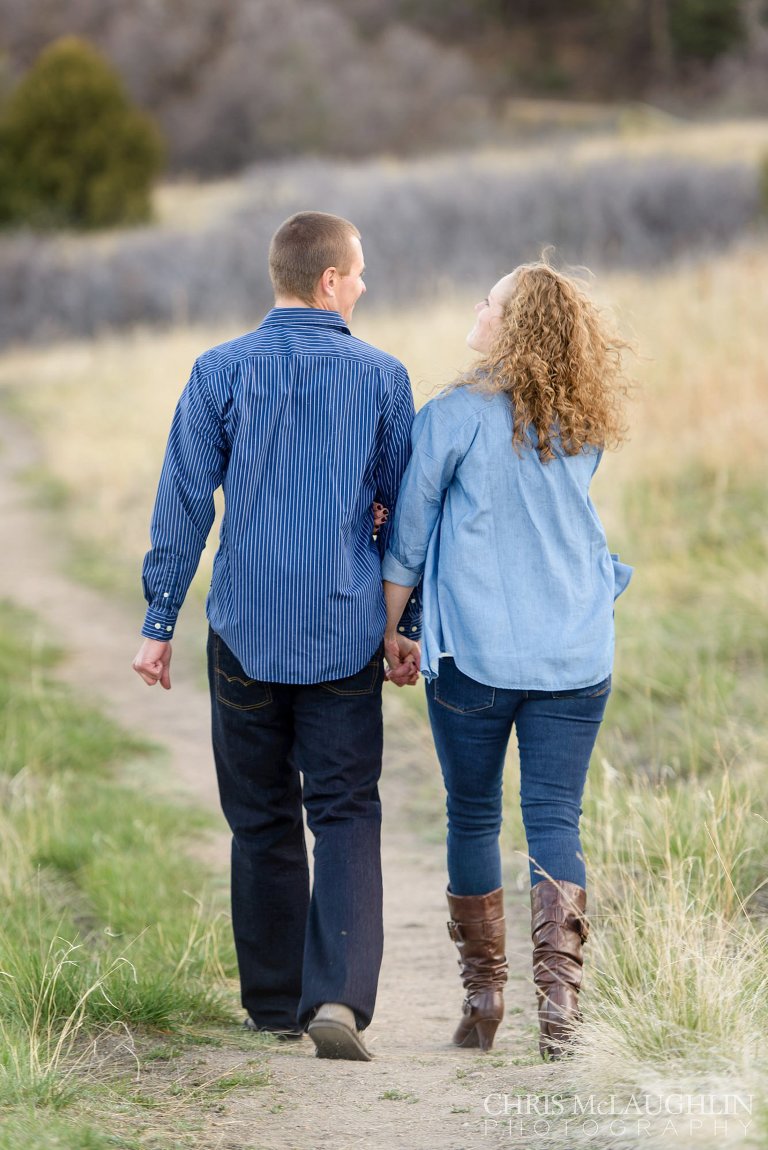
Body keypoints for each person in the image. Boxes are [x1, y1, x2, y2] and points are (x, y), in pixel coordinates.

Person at [132, 211, 421, 1061]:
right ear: (329, 279)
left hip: (245, 630)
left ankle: (271, 1005)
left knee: (259, 816)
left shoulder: (217, 370)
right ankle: (337, 997)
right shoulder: (383, 377)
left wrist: (158, 622)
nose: (364, 285)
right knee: (345, 809)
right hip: (342, 625)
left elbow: (184, 502)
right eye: (358, 272)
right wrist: (406, 626)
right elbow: (404, 516)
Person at [381, 262, 632, 1059]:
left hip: (478, 658)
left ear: (512, 326)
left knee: (474, 813)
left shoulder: (451, 417)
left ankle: (485, 996)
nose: (476, 311)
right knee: (556, 818)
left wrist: (390, 632)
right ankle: (560, 1011)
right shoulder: (581, 421)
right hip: (577, 648)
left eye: (488, 303)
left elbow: (408, 542)